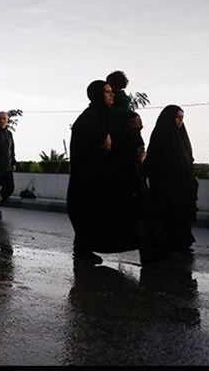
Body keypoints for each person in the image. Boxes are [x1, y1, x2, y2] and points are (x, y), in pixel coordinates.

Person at [66, 80, 166, 266]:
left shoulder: (107, 116)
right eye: (107, 92)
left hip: (106, 182)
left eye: (112, 92)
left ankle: (86, 251)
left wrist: (135, 129)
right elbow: (90, 141)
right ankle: (83, 254)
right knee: (89, 218)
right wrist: (102, 135)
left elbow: (121, 136)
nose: (112, 95)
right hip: (89, 183)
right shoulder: (88, 119)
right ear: (97, 95)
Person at [144, 105, 199, 255]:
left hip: (183, 184)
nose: (180, 121)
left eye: (182, 118)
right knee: (168, 213)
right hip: (165, 185)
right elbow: (153, 157)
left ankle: (181, 242)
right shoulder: (161, 135)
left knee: (182, 214)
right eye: (178, 118)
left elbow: (189, 158)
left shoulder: (182, 136)